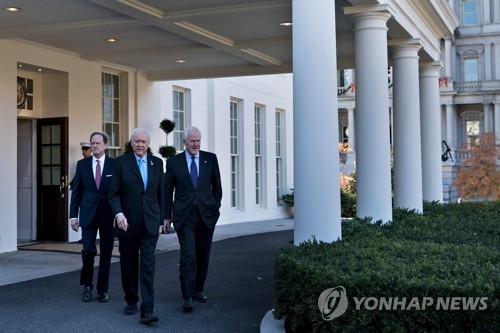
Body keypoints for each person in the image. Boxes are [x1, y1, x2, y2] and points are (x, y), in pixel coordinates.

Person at [108, 128, 165, 325]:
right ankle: (131, 300)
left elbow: (161, 194)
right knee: (129, 263)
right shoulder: (120, 163)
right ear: (131, 143)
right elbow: (113, 193)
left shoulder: (157, 163)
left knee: (148, 266)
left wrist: (162, 220)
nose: (140, 145)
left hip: (150, 224)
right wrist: (118, 213)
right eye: (137, 141)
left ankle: (147, 309)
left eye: (143, 141)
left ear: (148, 144)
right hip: (128, 224)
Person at [164, 126, 222, 313]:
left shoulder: (210, 159)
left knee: (203, 254)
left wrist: (214, 206)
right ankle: (187, 296)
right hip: (184, 215)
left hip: (206, 215)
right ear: (184, 142)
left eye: (198, 140)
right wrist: (166, 216)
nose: (196, 144)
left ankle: (199, 289)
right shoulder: (174, 162)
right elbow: (167, 191)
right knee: (188, 254)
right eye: (192, 141)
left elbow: (217, 188)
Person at [69, 132, 115, 303]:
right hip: (87, 214)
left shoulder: (114, 165)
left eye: (98, 143)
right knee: (88, 250)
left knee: (106, 253)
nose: (94, 146)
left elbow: (117, 192)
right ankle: (87, 285)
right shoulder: (82, 165)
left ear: (105, 145)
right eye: (92, 143)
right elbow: (76, 192)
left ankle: (103, 289)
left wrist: (119, 214)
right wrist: (73, 216)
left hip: (107, 214)